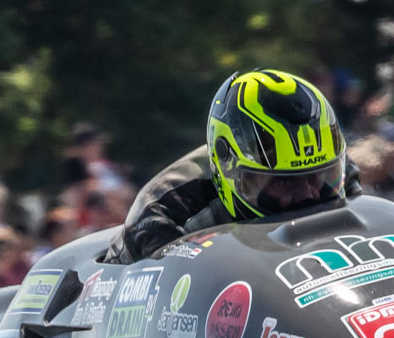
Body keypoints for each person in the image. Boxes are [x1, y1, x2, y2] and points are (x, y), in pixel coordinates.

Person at [108, 69, 356, 263]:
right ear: (229, 170)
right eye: (284, 181)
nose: (309, 195)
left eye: (316, 178)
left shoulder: (344, 172)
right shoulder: (161, 217)